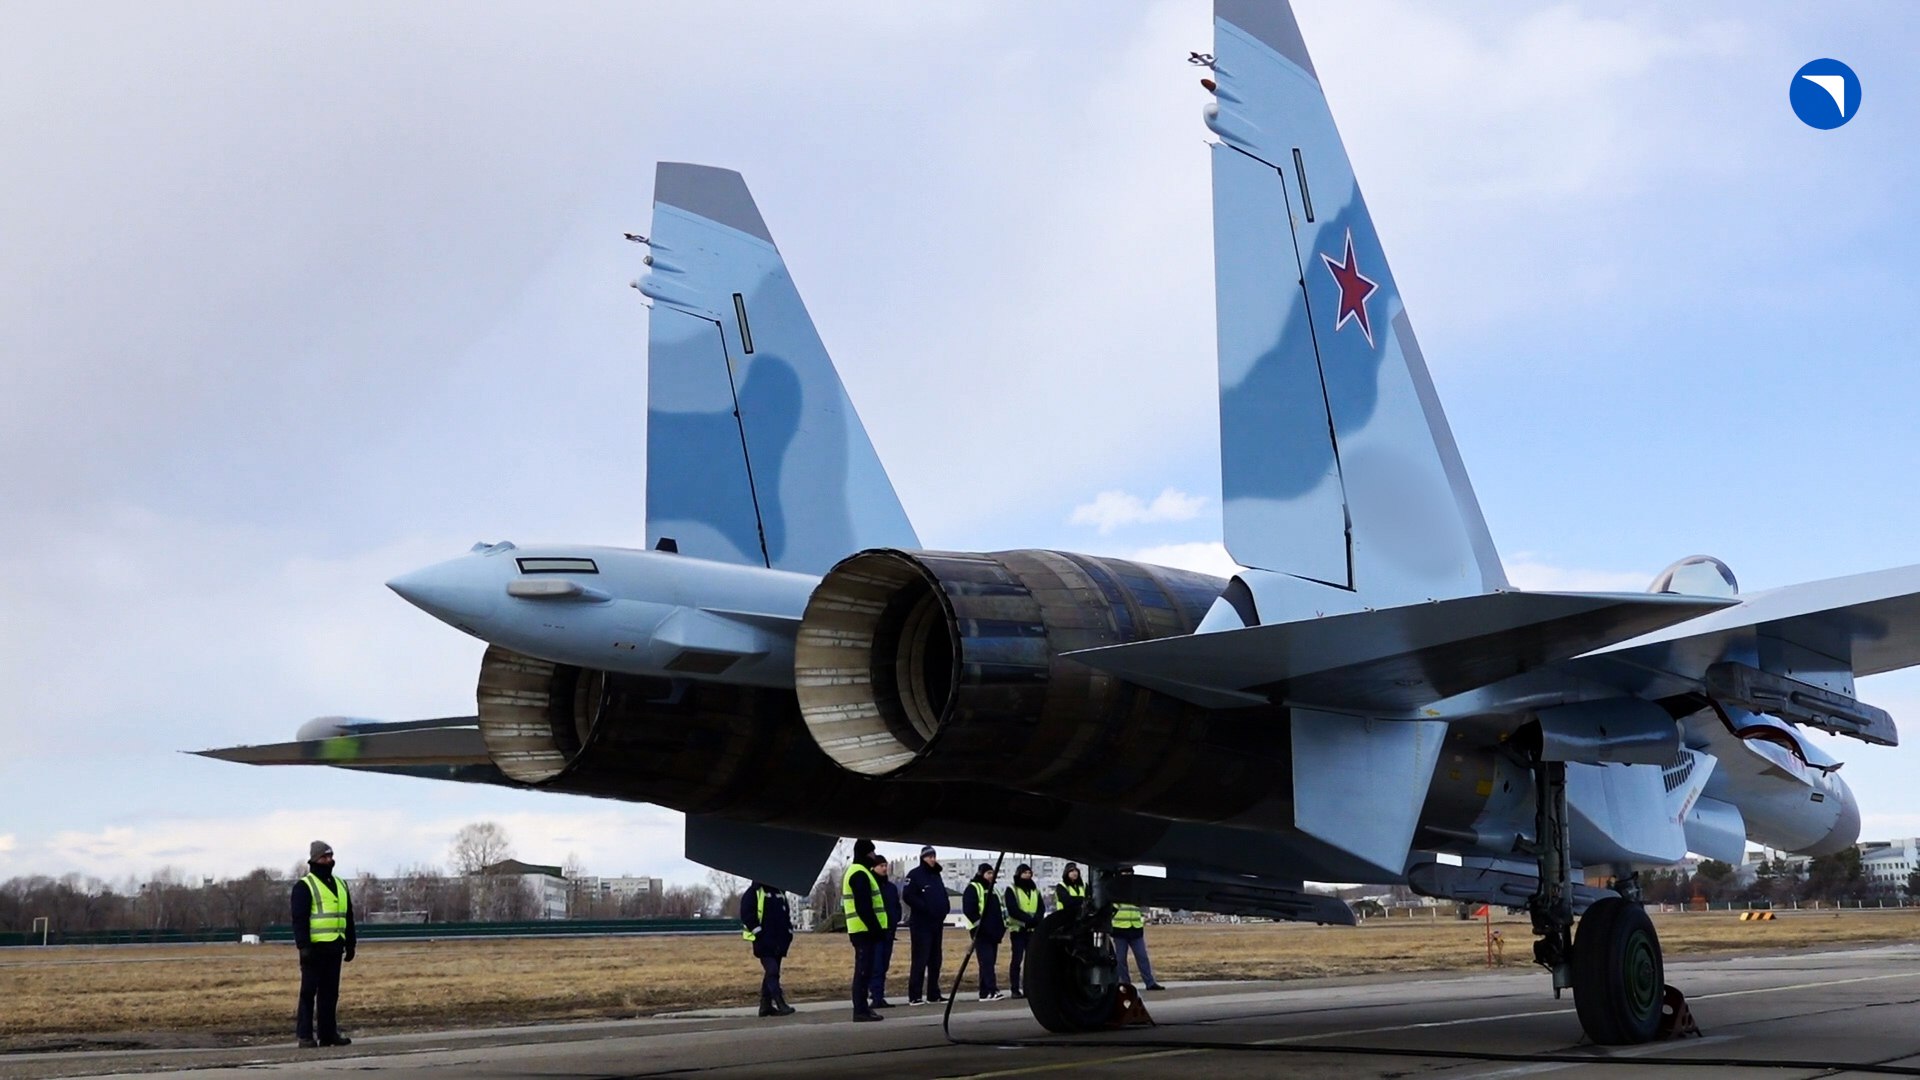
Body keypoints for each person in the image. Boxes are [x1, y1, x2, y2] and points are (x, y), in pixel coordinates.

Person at [290, 840, 356, 1048]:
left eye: (330, 856)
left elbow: (348, 916)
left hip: (335, 946)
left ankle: (328, 1034)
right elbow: (299, 919)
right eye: (324, 857)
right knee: (309, 992)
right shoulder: (304, 886)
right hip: (314, 948)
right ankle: (305, 1035)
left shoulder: (341, 884)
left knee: (330, 993)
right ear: (314, 860)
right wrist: (304, 946)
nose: (329, 860)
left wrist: (351, 943)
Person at [842, 838, 889, 1021]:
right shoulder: (859, 873)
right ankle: (860, 1010)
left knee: (865, 970)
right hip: (864, 931)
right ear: (865, 853)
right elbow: (864, 907)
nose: (874, 856)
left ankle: (863, 1009)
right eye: (871, 852)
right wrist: (876, 929)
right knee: (863, 971)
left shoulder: (862, 872)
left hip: (863, 930)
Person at [902, 845, 951, 1005]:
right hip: (921, 924)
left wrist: (945, 908)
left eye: (934, 856)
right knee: (920, 959)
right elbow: (908, 895)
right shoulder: (914, 875)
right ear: (923, 858)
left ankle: (933, 993)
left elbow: (942, 894)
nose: (932, 859)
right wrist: (925, 908)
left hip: (936, 923)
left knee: (935, 959)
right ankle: (915, 995)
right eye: (929, 857)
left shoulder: (936, 875)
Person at [739, 881, 795, 1017]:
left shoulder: (780, 892)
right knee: (772, 971)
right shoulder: (755, 892)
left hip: (779, 940)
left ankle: (765, 1006)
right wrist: (758, 932)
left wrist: (788, 932)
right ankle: (780, 1002)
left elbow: (785, 914)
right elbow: (746, 913)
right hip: (764, 941)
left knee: (771, 973)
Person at [1109, 874, 1164, 991]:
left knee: (1142, 957)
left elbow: (1142, 906)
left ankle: (1149, 983)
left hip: (1135, 929)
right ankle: (1125, 984)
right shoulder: (1117, 890)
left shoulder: (1137, 890)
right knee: (1120, 959)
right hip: (1120, 929)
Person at [962, 863, 1007, 1001]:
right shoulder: (974, 888)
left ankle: (984, 992)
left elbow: (1001, 909)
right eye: (988, 873)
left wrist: (1002, 927)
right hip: (980, 932)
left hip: (994, 932)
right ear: (981, 874)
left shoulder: (995, 890)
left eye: (993, 873)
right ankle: (992, 990)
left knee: (989, 962)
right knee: (986, 962)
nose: (991, 876)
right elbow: (969, 910)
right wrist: (979, 927)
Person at [1003, 863, 1044, 998]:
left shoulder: (1035, 890)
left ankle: (1029, 989)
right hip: (1018, 929)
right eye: (1024, 873)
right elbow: (1013, 909)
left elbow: (1041, 908)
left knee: (1030, 961)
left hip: (1032, 930)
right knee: (1017, 960)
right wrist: (1027, 920)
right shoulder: (1012, 889)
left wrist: (1036, 919)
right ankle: (1015, 989)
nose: (1027, 875)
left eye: (1029, 873)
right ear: (1019, 874)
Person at [868, 855, 902, 1008]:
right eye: (880, 865)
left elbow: (896, 905)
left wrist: (895, 920)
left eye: (885, 865)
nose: (884, 868)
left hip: (889, 931)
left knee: (884, 965)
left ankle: (879, 996)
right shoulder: (871, 885)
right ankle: (875, 996)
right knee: (876, 965)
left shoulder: (890, 887)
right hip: (875, 932)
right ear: (874, 867)